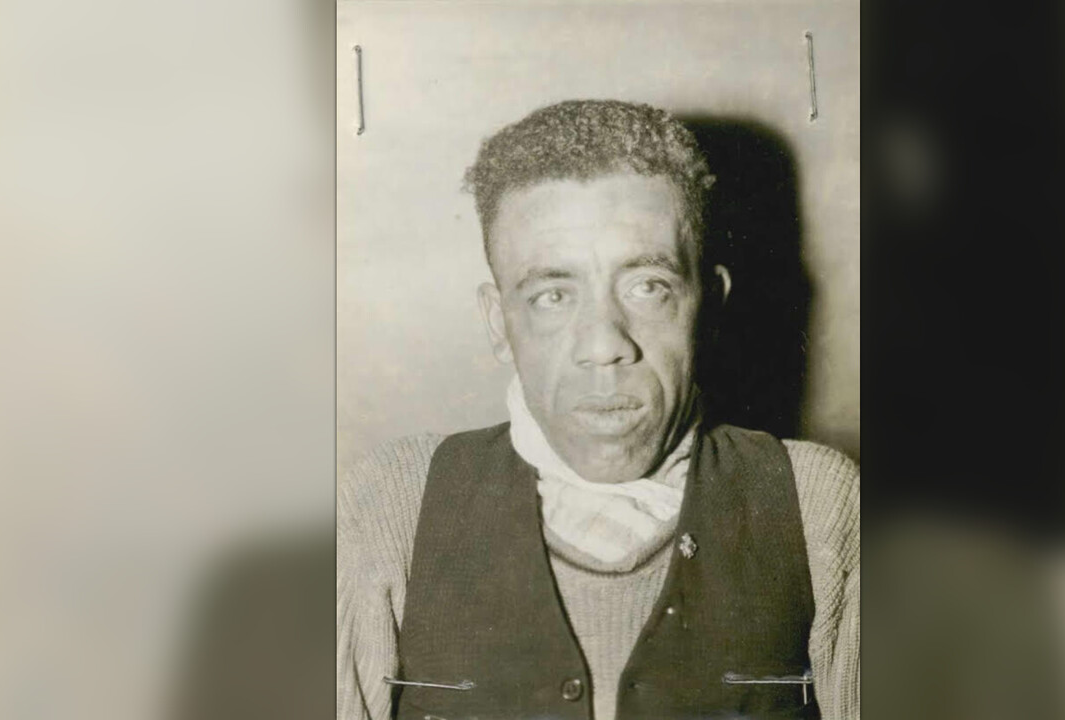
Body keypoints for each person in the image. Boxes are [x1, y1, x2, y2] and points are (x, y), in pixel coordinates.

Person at [337, 99, 859, 720]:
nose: (604, 344)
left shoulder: (818, 505)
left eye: (647, 286)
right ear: (499, 323)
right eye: (552, 295)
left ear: (709, 309)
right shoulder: (393, 506)